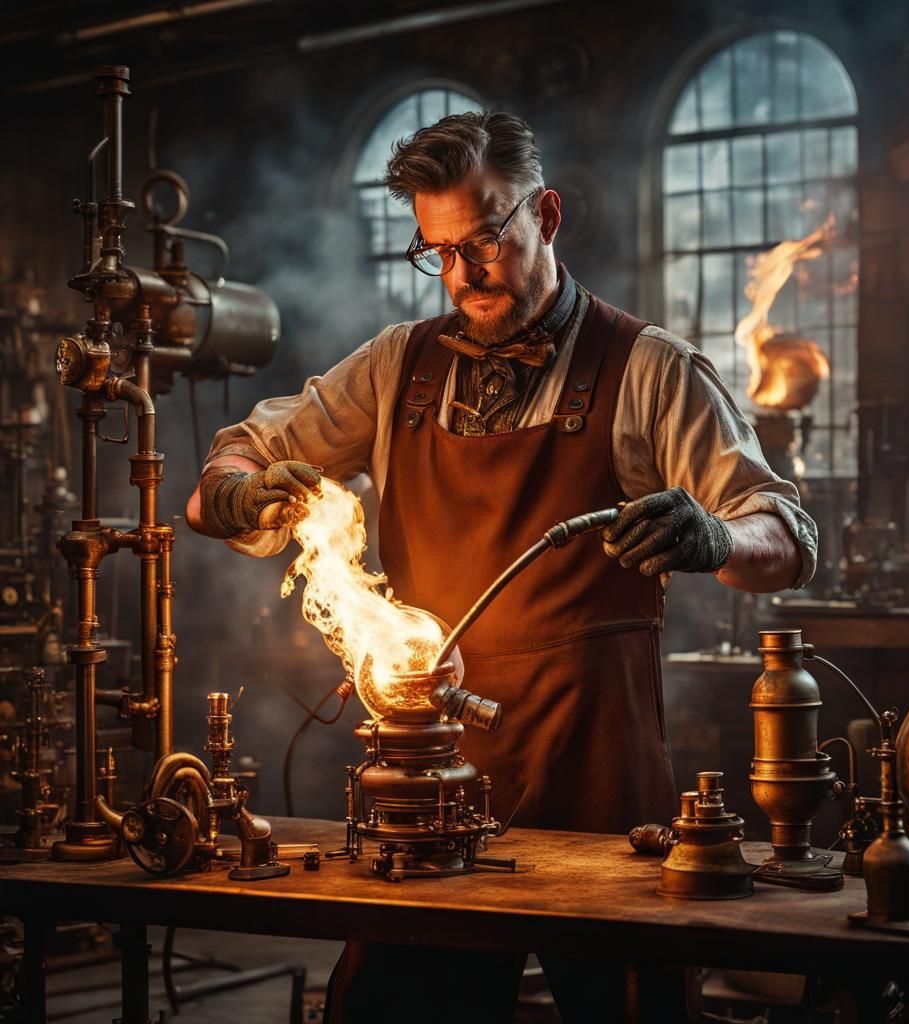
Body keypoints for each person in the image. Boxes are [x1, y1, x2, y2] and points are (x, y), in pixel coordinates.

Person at [186, 111, 816, 1022]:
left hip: (598, 785)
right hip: (428, 789)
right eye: (435, 250)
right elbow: (220, 483)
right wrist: (244, 494)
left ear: (547, 215)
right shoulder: (397, 368)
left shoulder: (647, 368)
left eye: (484, 241)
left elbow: (787, 536)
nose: (462, 275)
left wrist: (721, 540)